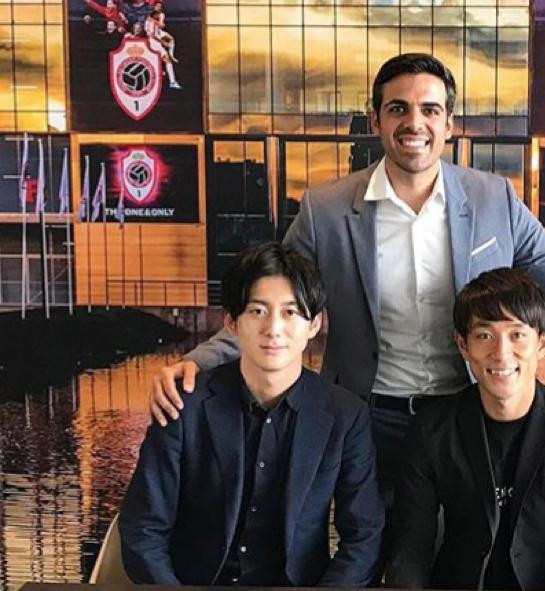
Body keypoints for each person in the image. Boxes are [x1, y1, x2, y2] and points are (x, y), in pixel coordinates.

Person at [148, 53, 545, 499]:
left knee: (461, 558)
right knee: (373, 553)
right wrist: (196, 362)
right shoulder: (326, 210)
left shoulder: (494, 201)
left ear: (448, 123)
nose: (414, 123)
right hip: (365, 417)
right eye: (398, 109)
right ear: (376, 120)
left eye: (430, 110)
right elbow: (274, 303)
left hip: (468, 412)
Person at [119, 242, 383, 587]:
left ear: (314, 324)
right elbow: (143, 529)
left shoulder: (345, 415)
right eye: (257, 311)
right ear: (232, 322)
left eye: (290, 312)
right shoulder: (183, 405)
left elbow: (363, 536)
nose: (273, 328)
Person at [386, 268, 545, 591]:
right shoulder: (432, 430)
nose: (501, 353)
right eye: (484, 335)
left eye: (517, 335)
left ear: (543, 342)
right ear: (463, 344)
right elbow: (411, 547)